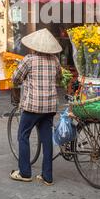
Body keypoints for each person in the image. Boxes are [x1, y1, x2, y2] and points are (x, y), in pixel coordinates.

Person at [10, 29, 62, 186]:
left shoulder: (29, 59)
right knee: (47, 140)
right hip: (50, 107)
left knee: (23, 135)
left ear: (34, 46)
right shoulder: (55, 60)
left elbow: (15, 77)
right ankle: (47, 176)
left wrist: (23, 80)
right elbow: (59, 78)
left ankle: (25, 173)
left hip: (32, 106)